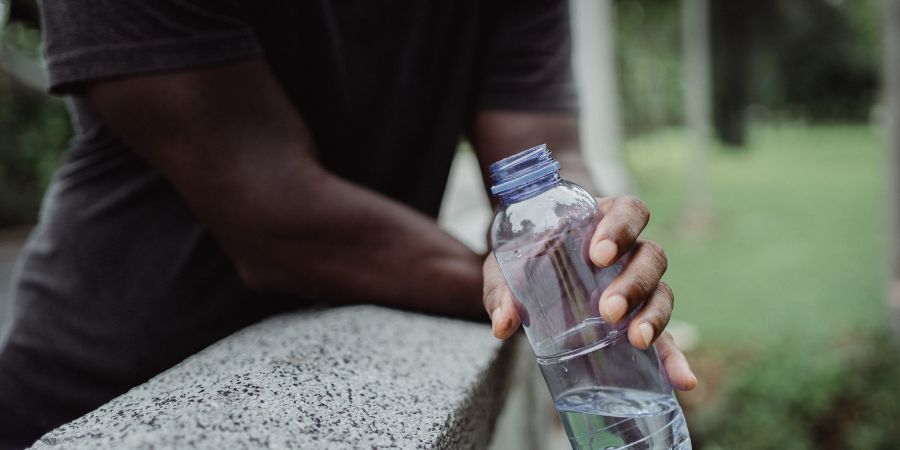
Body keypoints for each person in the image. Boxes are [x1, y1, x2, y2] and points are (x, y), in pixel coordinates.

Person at [0, 0, 696, 447]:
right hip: (111, 394)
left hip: (342, 380)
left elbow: (541, 165)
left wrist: (593, 251)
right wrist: (540, 295)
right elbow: (277, 218)